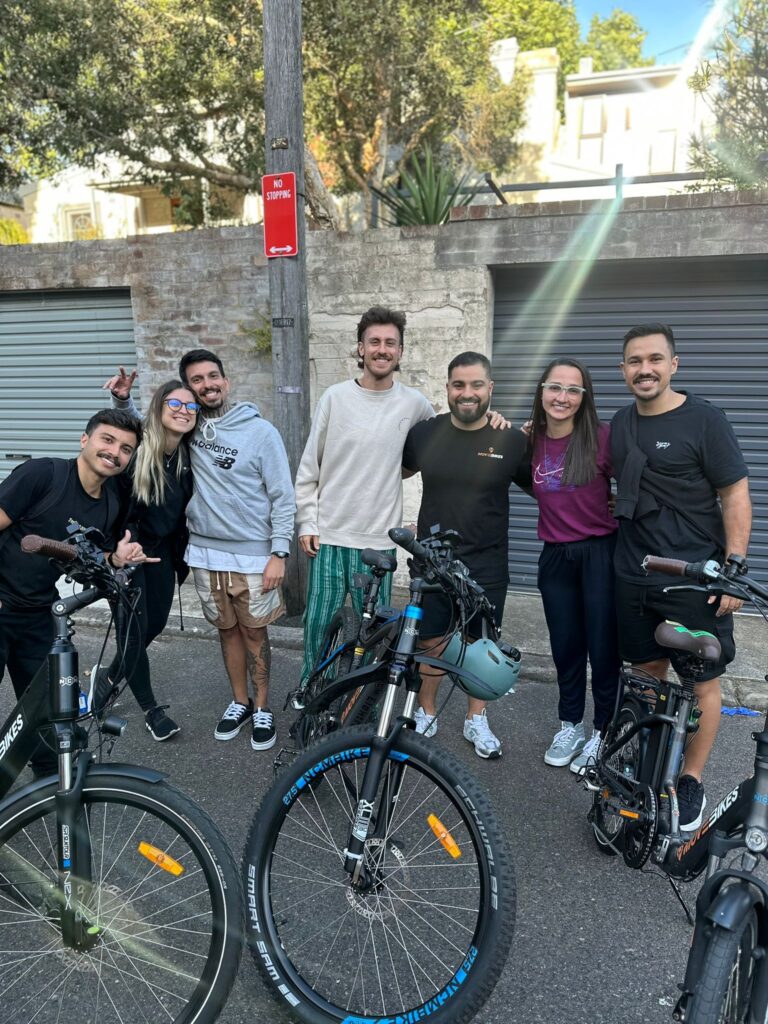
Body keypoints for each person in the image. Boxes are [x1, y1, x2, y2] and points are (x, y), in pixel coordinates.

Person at [114, 351, 295, 752]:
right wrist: (123, 403)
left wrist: (279, 552)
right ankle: (240, 702)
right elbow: (144, 433)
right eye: (197, 379)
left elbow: (283, 495)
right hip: (205, 555)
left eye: (214, 375)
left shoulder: (261, 432)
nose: (207, 384)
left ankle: (263, 706)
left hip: (253, 555)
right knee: (227, 632)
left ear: (226, 382)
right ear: (189, 389)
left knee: (254, 632)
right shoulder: (189, 431)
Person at [612, 322, 751, 831]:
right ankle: (648, 769)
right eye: (633, 361)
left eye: (654, 359)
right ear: (623, 369)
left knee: (703, 683)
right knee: (647, 672)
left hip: (693, 579)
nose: (643, 369)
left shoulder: (705, 420)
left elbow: (734, 493)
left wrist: (733, 571)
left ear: (674, 364)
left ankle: (688, 778)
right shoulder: (622, 423)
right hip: (634, 575)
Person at [0, 409, 153, 773]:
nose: (115, 452)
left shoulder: (110, 503)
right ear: (85, 440)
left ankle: (52, 796)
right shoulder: (44, 475)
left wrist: (115, 558)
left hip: (39, 615)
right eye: (108, 440)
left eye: (126, 449)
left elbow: (85, 558)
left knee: (50, 715)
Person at [293, 306, 434, 698]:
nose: (382, 349)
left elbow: (440, 446)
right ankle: (311, 696)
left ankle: (362, 708)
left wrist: (492, 421)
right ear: (360, 348)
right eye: (375, 341)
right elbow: (310, 465)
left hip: (379, 540)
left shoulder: (415, 404)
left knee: (373, 634)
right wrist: (307, 521)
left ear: (401, 352)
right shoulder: (335, 398)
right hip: (331, 533)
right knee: (319, 625)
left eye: (391, 343)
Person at [402, 352, 531, 759]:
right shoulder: (424, 434)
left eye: (477, 385)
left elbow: (547, 486)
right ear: (448, 389)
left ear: (490, 389)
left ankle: (477, 718)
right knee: (432, 641)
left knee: (483, 643)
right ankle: (426, 711)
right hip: (434, 558)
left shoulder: (510, 440)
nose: (468, 393)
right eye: (459, 385)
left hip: (488, 561)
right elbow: (394, 472)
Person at [527, 358, 620, 773]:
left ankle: (604, 731)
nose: (562, 397)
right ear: (542, 392)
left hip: (599, 554)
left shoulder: (603, 439)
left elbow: (637, 487)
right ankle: (570, 726)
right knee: (566, 648)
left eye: (572, 390)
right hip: (555, 558)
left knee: (602, 649)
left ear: (584, 398)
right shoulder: (529, 441)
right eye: (555, 387)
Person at [100, 373, 199, 740]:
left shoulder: (188, 454)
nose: (183, 410)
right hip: (127, 551)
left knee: (154, 624)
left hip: (162, 553)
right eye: (175, 403)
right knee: (133, 628)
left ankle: (110, 675)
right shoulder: (141, 448)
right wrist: (122, 402)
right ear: (159, 409)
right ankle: (150, 709)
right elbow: (121, 431)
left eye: (190, 406)